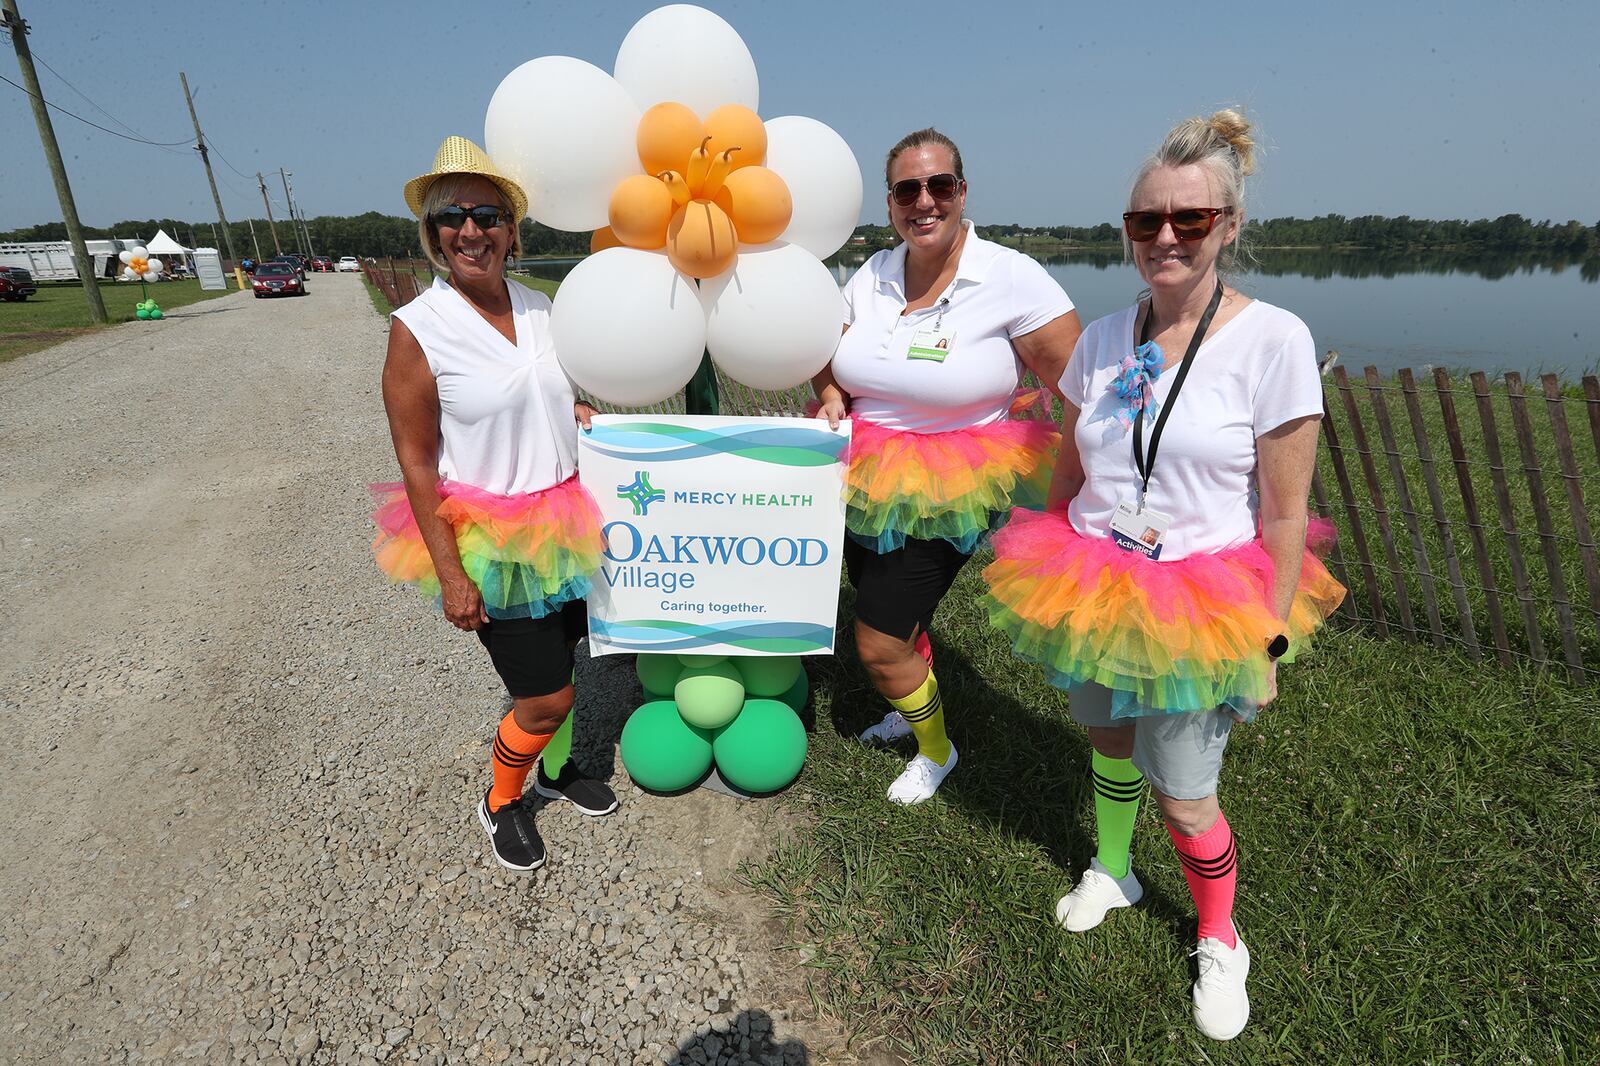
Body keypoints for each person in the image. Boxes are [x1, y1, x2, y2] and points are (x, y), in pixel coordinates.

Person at [981, 110, 1345, 1040]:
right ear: (1129, 232)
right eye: (1148, 222)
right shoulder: (1105, 338)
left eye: (1190, 219)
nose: (1167, 238)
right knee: (1104, 737)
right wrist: (1042, 567)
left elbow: (1287, 514)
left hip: (1198, 601)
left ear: (1229, 225)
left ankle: (1222, 936)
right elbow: (1071, 467)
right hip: (1096, 578)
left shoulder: (1274, 342)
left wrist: (1265, 639)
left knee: (1186, 791)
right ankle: (1113, 867)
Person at [813, 128, 1083, 804]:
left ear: (962, 193)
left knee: (876, 642)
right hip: (864, 472)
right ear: (890, 202)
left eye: (939, 186)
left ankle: (938, 750)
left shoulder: (1010, 276)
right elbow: (826, 348)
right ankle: (909, 709)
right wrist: (829, 391)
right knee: (901, 623)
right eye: (908, 189)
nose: (924, 201)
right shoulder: (872, 273)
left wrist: (1091, 484)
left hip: (955, 480)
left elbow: (1078, 388)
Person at [371, 136, 617, 874]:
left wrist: (576, 409)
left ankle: (556, 771)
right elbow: (415, 459)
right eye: (452, 217)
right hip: (494, 542)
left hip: (565, 524)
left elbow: (552, 392)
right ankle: (503, 799)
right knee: (542, 698)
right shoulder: (419, 329)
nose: (470, 231)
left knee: (569, 662)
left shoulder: (545, 307)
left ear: (513, 229)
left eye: (487, 214)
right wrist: (451, 573)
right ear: (433, 234)